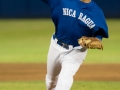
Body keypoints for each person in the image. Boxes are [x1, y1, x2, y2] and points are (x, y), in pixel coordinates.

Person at [41, 0, 109, 90]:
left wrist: (91, 41)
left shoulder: (97, 13)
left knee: (64, 82)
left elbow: (98, 41)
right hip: (55, 45)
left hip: (76, 52)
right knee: (51, 81)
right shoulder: (63, 1)